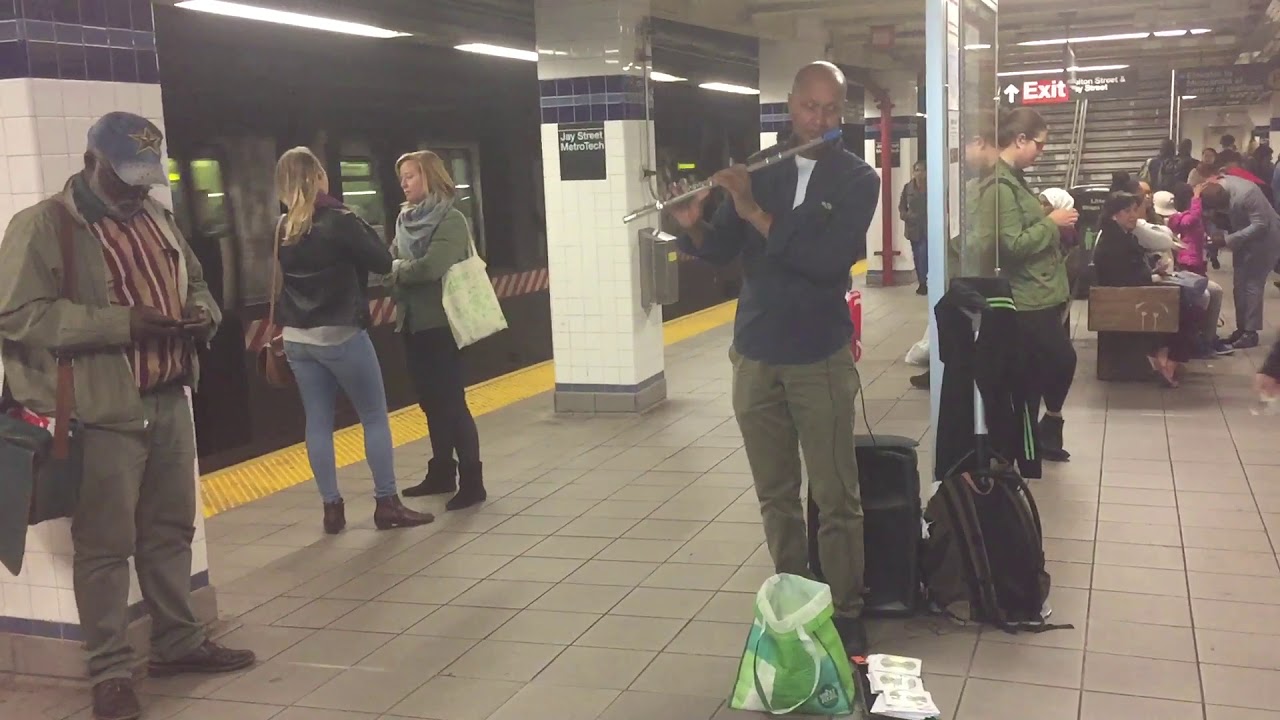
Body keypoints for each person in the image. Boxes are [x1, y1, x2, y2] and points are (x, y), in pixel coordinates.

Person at [0, 112, 256, 720]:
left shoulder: (158, 219)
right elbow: (16, 316)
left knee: (171, 531)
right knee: (105, 547)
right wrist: (121, 324)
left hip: (169, 397)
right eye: (127, 176)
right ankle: (110, 672)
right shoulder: (42, 226)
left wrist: (200, 312)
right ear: (93, 162)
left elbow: (193, 280)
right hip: (102, 410)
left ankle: (178, 643)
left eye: (146, 177)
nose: (139, 188)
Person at [669, 61, 878, 654]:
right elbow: (725, 252)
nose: (820, 118)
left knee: (836, 496)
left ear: (842, 111)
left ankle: (846, 606)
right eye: (810, 107)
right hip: (756, 350)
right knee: (775, 493)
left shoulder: (857, 179)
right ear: (790, 105)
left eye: (832, 108)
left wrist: (754, 212)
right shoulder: (763, 168)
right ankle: (794, 596)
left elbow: (825, 260)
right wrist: (696, 228)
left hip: (818, 351)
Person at [274, 147, 433, 534]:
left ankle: (332, 509)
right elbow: (382, 261)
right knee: (374, 416)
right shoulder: (341, 220)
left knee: (317, 422)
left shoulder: (282, 225)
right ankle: (386, 503)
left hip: (296, 337)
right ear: (318, 178)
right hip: (341, 333)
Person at [976, 107, 1078, 462]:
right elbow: (1010, 246)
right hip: (1026, 299)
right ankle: (1039, 433)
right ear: (1019, 139)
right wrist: (1051, 222)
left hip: (1041, 294)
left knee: (1033, 376)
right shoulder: (1000, 187)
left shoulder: (1015, 181)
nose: (1041, 152)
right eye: (1039, 144)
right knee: (1057, 362)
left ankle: (1034, 441)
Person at [388, 150, 486, 511]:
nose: (404, 183)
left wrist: (399, 269)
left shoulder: (452, 220)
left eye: (411, 176)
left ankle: (473, 481)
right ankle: (442, 471)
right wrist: (400, 268)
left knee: (451, 402)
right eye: (402, 177)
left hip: (444, 324)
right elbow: (392, 262)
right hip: (412, 323)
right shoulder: (404, 220)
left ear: (429, 177)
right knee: (430, 403)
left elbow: (430, 268)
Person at [1093, 191, 1200, 387]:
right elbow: (1125, 278)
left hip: (1129, 293)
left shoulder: (1121, 235)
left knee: (1188, 297)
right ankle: (1167, 358)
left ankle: (1166, 355)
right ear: (1114, 214)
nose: (1133, 215)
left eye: (1134, 210)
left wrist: (1153, 270)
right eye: (1127, 211)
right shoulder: (1114, 242)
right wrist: (1155, 275)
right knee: (1187, 303)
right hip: (1126, 299)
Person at [1201, 175, 1280, 349]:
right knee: (1239, 283)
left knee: (1252, 285)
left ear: (1226, 198)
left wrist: (1228, 239)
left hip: (1266, 239)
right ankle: (1241, 328)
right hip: (1244, 238)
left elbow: (1260, 224)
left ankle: (1250, 333)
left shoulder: (1247, 193)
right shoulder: (1214, 186)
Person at [1158, 185, 1233, 356]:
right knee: (1201, 296)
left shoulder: (1187, 218)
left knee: (1209, 292)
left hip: (1196, 261)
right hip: (1188, 262)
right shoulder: (1181, 218)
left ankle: (1208, 337)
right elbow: (1191, 219)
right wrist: (1197, 198)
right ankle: (1200, 340)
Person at [900, 160, 928, 294]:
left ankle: (924, 281)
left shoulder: (932, 186)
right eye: (917, 170)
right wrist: (906, 216)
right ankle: (922, 281)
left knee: (923, 255)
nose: (920, 173)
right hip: (913, 229)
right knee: (917, 256)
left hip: (927, 227)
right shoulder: (908, 188)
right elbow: (902, 207)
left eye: (922, 170)